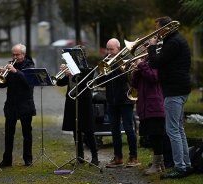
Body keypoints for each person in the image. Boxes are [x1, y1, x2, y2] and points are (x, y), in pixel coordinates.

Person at [147, 16, 193, 179]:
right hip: (178, 88)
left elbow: (155, 63)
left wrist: (152, 47)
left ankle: (180, 167)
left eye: (158, 29)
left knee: (172, 130)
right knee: (178, 129)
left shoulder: (173, 42)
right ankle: (186, 165)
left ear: (165, 28)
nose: (156, 33)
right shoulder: (174, 40)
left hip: (174, 89)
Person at [56, 45, 99, 166]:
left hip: (84, 102)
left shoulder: (88, 69)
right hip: (72, 101)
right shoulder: (70, 68)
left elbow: (85, 81)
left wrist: (73, 73)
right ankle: (79, 156)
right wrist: (65, 73)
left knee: (88, 130)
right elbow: (59, 83)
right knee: (76, 130)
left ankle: (95, 157)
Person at [102, 38, 140, 168]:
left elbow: (130, 79)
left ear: (118, 49)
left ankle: (133, 157)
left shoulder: (126, 61)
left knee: (129, 129)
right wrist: (103, 68)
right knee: (115, 130)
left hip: (125, 99)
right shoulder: (105, 61)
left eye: (111, 49)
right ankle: (118, 157)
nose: (108, 52)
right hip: (111, 100)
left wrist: (119, 66)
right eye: (107, 49)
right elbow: (100, 81)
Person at [0, 43, 36, 167]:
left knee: (27, 133)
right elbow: (2, 85)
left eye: (17, 54)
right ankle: (7, 159)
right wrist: (1, 75)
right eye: (13, 54)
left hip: (25, 103)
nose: (15, 57)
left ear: (23, 54)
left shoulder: (30, 65)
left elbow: (28, 82)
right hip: (11, 103)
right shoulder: (9, 65)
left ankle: (28, 158)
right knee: (8, 133)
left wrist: (15, 71)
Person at [130, 54, 166, 174]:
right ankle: (159, 163)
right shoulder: (144, 64)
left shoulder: (156, 62)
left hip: (154, 103)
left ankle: (157, 165)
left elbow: (153, 77)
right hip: (145, 105)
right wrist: (135, 72)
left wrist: (141, 65)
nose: (144, 51)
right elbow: (135, 85)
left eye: (146, 47)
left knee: (157, 135)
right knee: (151, 135)